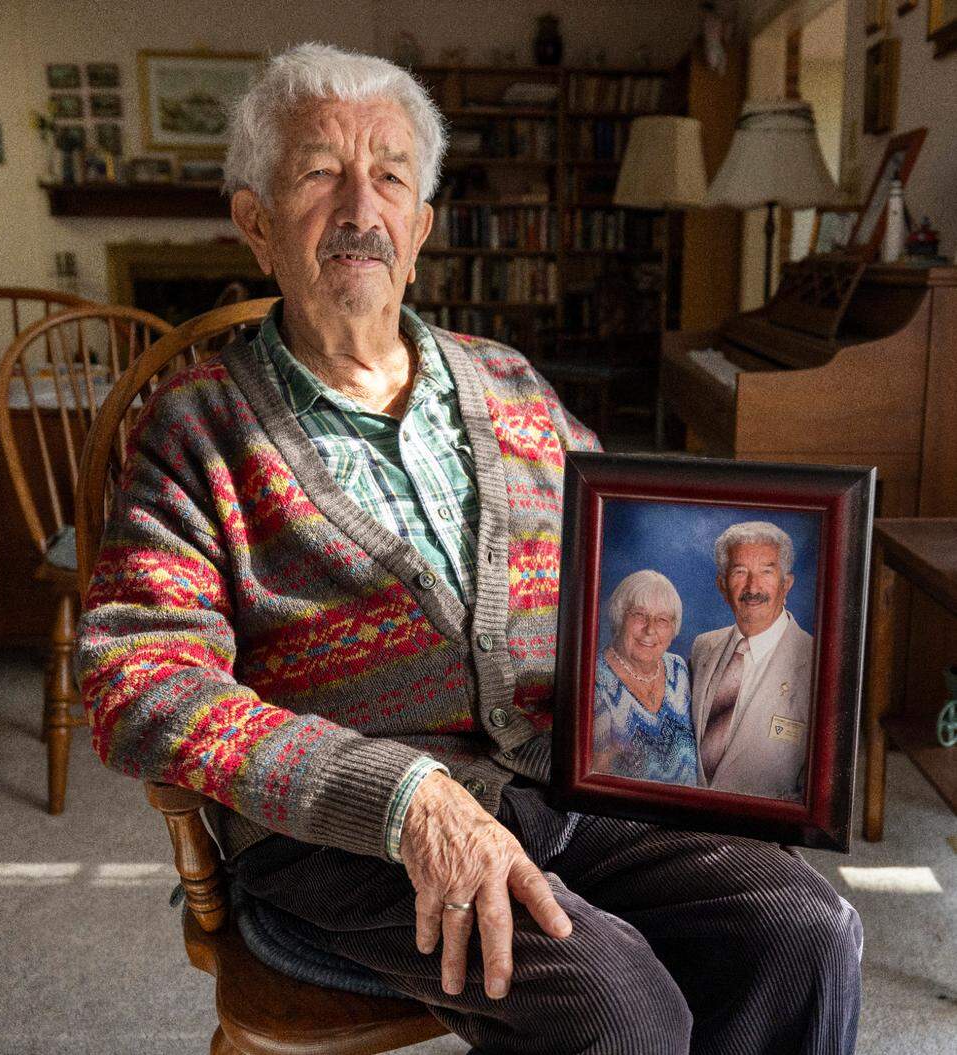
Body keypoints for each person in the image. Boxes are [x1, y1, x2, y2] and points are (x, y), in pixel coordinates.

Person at [76, 44, 860, 1054]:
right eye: (320, 172)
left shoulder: (512, 387)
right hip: (346, 830)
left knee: (805, 929)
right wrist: (403, 795)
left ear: (422, 230)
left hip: (559, 781)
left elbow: (621, 580)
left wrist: (747, 735)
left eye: (391, 176)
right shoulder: (196, 427)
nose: (362, 206)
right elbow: (138, 679)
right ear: (257, 223)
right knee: (621, 1007)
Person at [690, 521, 814, 801]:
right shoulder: (702, 647)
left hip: (765, 834)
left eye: (766, 572)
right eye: (740, 572)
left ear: (786, 584)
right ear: (722, 586)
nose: (753, 586)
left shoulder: (818, 663)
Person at [594, 570, 697, 785]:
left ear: (673, 628)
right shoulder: (593, 678)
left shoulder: (678, 669)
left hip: (688, 811)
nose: (650, 629)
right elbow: (592, 776)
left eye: (662, 620)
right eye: (639, 615)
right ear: (619, 616)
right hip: (620, 813)